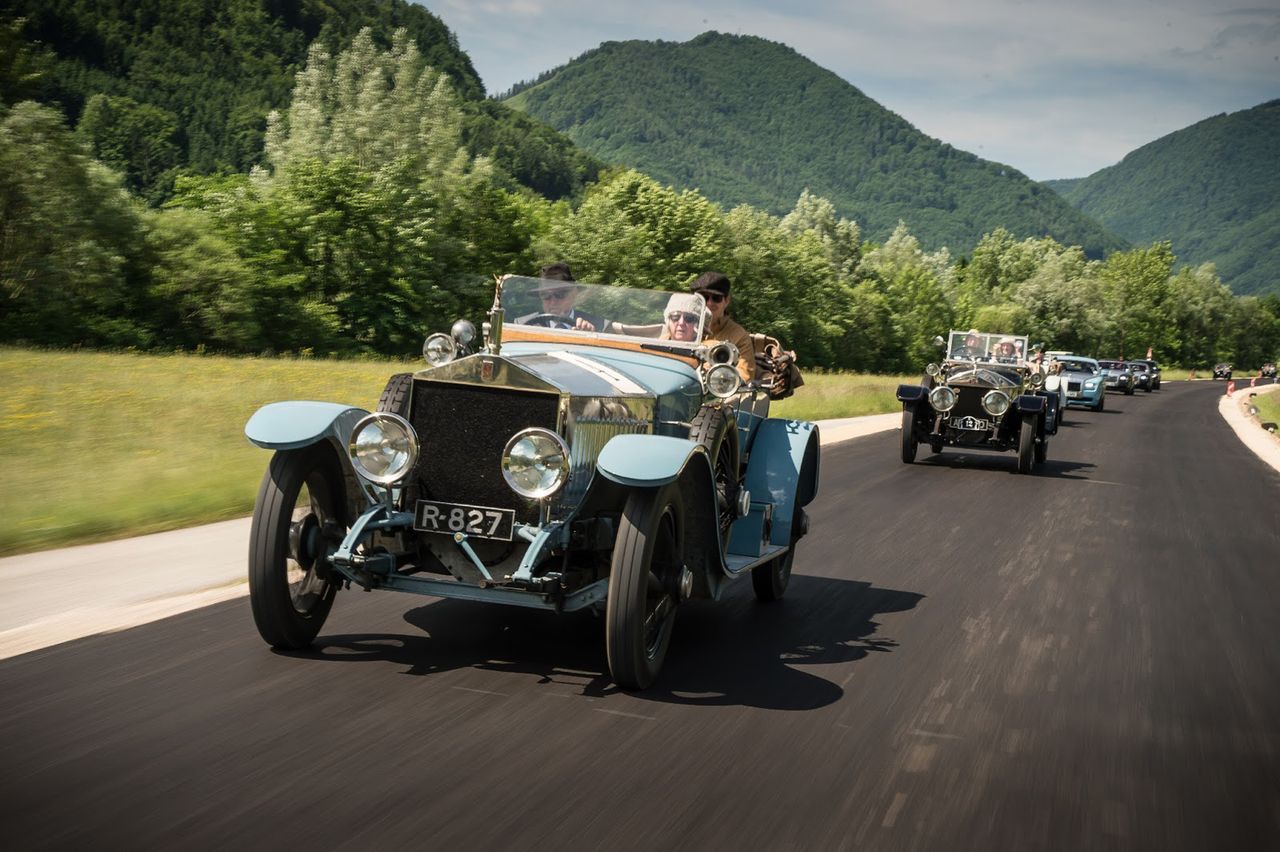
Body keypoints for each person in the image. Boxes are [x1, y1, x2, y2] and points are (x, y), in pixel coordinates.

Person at [690, 271, 755, 383]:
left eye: (716, 298)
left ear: (727, 301)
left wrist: (717, 373)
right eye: (704, 297)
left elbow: (745, 376)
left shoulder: (740, 336)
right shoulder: (682, 326)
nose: (709, 303)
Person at [517, 262, 601, 331]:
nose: (553, 302)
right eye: (546, 295)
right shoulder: (523, 324)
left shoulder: (596, 324)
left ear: (574, 294)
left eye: (560, 294)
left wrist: (590, 337)